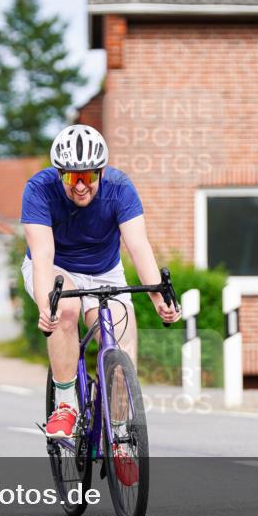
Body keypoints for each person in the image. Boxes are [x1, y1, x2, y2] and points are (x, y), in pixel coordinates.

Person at [20, 124, 180, 451]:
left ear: (101, 172)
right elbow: (42, 255)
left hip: (105, 272)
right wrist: (44, 307)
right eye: (71, 178)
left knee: (120, 337)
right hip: (55, 268)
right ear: (59, 173)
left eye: (89, 177)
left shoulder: (120, 188)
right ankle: (66, 405)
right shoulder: (38, 190)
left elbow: (138, 247)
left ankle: (119, 431)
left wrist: (159, 298)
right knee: (66, 308)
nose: (80, 187)